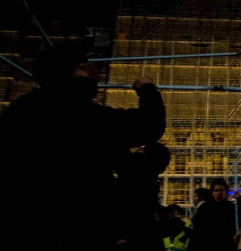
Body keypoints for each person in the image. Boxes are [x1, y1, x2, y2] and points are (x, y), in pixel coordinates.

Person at [0, 44, 166, 251]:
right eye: (82, 67)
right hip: (82, 227)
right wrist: (148, 90)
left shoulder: (20, 111)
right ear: (64, 73)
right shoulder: (85, 115)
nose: (92, 71)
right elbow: (148, 126)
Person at [187, 178, 241, 251]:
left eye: (222, 190)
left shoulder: (231, 207)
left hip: (227, 245)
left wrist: (239, 202)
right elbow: (197, 231)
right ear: (212, 193)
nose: (219, 193)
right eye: (216, 190)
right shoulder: (205, 208)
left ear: (226, 192)